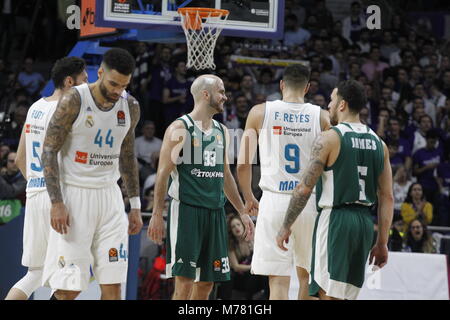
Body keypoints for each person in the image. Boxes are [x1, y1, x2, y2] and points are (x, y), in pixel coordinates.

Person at [276, 80, 394, 300]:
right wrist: (382, 242)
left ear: (342, 105)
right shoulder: (380, 144)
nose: (328, 106)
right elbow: (387, 197)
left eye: (331, 100)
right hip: (364, 225)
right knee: (343, 295)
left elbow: (303, 189)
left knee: (326, 293)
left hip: (336, 220)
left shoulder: (330, 138)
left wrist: (285, 225)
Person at [41, 48, 143, 300]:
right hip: (75, 196)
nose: (117, 90)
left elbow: (128, 156)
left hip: (110, 198)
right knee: (70, 288)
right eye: (113, 83)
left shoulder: (130, 106)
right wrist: (56, 202)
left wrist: (136, 205)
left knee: (113, 286)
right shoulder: (74, 99)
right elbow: (49, 150)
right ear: (99, 73)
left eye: (123, 85)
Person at [147, 74, 255, 300]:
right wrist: (157, 214)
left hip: (215, 214)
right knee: (184, 284)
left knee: (206, 283)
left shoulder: (222, 131)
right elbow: (162, 174)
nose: (225, 97)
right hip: (187, 212)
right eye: (221, 92)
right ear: (206, 95)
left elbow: (226, 176)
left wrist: (243, 212)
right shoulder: (180, 128)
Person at [237, 64, 330, 300]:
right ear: (308, 87)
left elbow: (243, 163)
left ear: (281, 85)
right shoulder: (322, 117)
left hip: (273, 201)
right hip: (308, 203)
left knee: (277, 283)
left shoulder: (259, 112)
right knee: (307, 279)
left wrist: (248, 197)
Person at [4, 57, 88, 300]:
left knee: (35, 274)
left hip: (35, 194)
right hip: (59, 200)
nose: (87, 84)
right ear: (69, 81)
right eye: (84, 79)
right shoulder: (70, 109)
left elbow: (20, 158)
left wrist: (38, 183)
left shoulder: (35, 107)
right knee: (73, 276)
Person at [217, 213, 268, 300]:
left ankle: (267, 296)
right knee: (254, 273)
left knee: (264, 272)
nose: (236, 228)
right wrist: (253, 267)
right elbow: (236, 267)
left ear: (243, 225)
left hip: (253, 274)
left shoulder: (251, 239)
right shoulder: (231, 245)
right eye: (233, 227)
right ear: (231, 230)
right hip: (240, 277)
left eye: (238, 225)